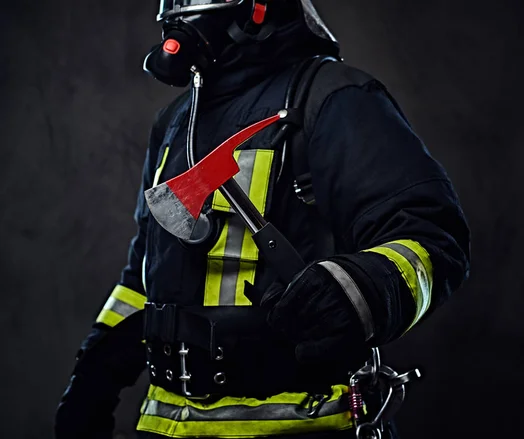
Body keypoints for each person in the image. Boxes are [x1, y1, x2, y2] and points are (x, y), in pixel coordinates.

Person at [54, 1, 471, 438]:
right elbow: (145, 274)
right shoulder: (176, 123)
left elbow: (431, 237)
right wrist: (95, 375)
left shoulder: (332, 100)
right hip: (166, 427)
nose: (179, 9)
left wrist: (356, 291)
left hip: (299, 426)